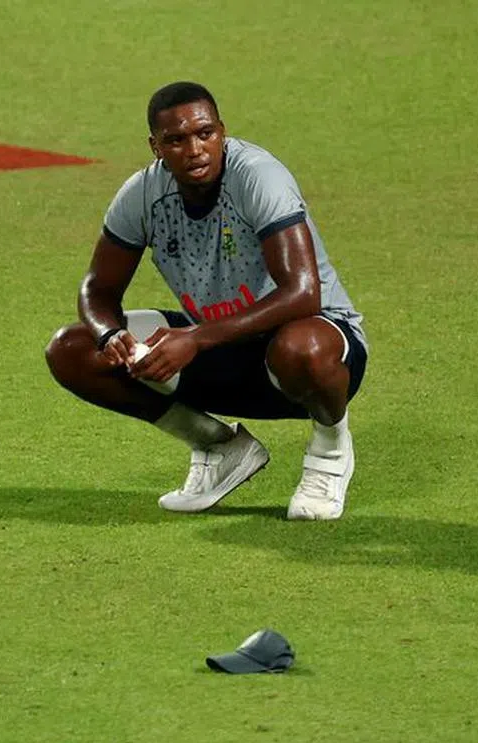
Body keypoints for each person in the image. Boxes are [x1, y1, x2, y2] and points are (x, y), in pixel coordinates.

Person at [45, 81, 368, 520]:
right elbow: (97, 291)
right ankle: (219, 447)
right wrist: (109, 334)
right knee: (72, 349)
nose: (195, 149)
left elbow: (302, 293)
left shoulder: (258, 176)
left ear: (222, 131)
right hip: (221, 347)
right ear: (156, 147)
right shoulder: (142, 195)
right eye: (176, 140)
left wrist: (194, 339)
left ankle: (330, 452)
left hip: (315, 349)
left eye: (205, 133)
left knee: (301, 348)